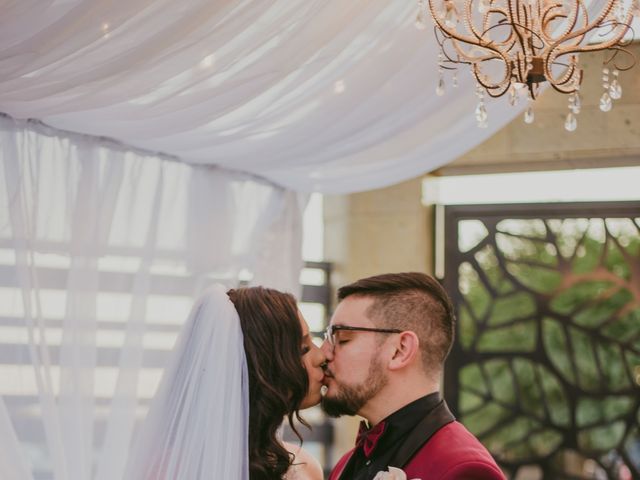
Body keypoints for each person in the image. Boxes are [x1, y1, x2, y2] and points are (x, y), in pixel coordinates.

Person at [124, 284, 326, 480]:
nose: (322, 356)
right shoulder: (171, 470)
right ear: (265, 369)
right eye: (303, 350)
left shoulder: (304, 468)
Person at [320, 272, 505, 480]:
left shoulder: (464, 469)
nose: (324, 353)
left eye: (342, 338)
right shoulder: (345, 465)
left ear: (400, 350)